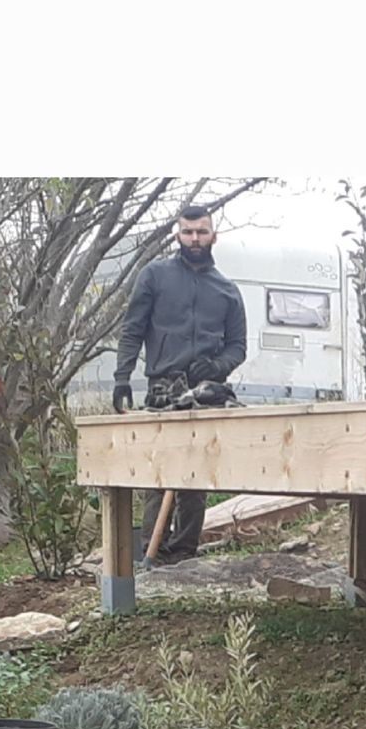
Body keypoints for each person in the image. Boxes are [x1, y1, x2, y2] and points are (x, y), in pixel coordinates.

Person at [113, 203, 248, 563]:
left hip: (207, 391)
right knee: (159, 473)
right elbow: (133, 330)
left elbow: (238, 347)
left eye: (201, 231)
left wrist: (217, 366)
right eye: (188, 232)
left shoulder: (227, 290)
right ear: (177, 235)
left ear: (213, 236)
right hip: (163, 386)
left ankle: (184, 553)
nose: (194, 238)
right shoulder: (154, 276)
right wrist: (122, 377)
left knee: (195, 478)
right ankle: (152, 553)